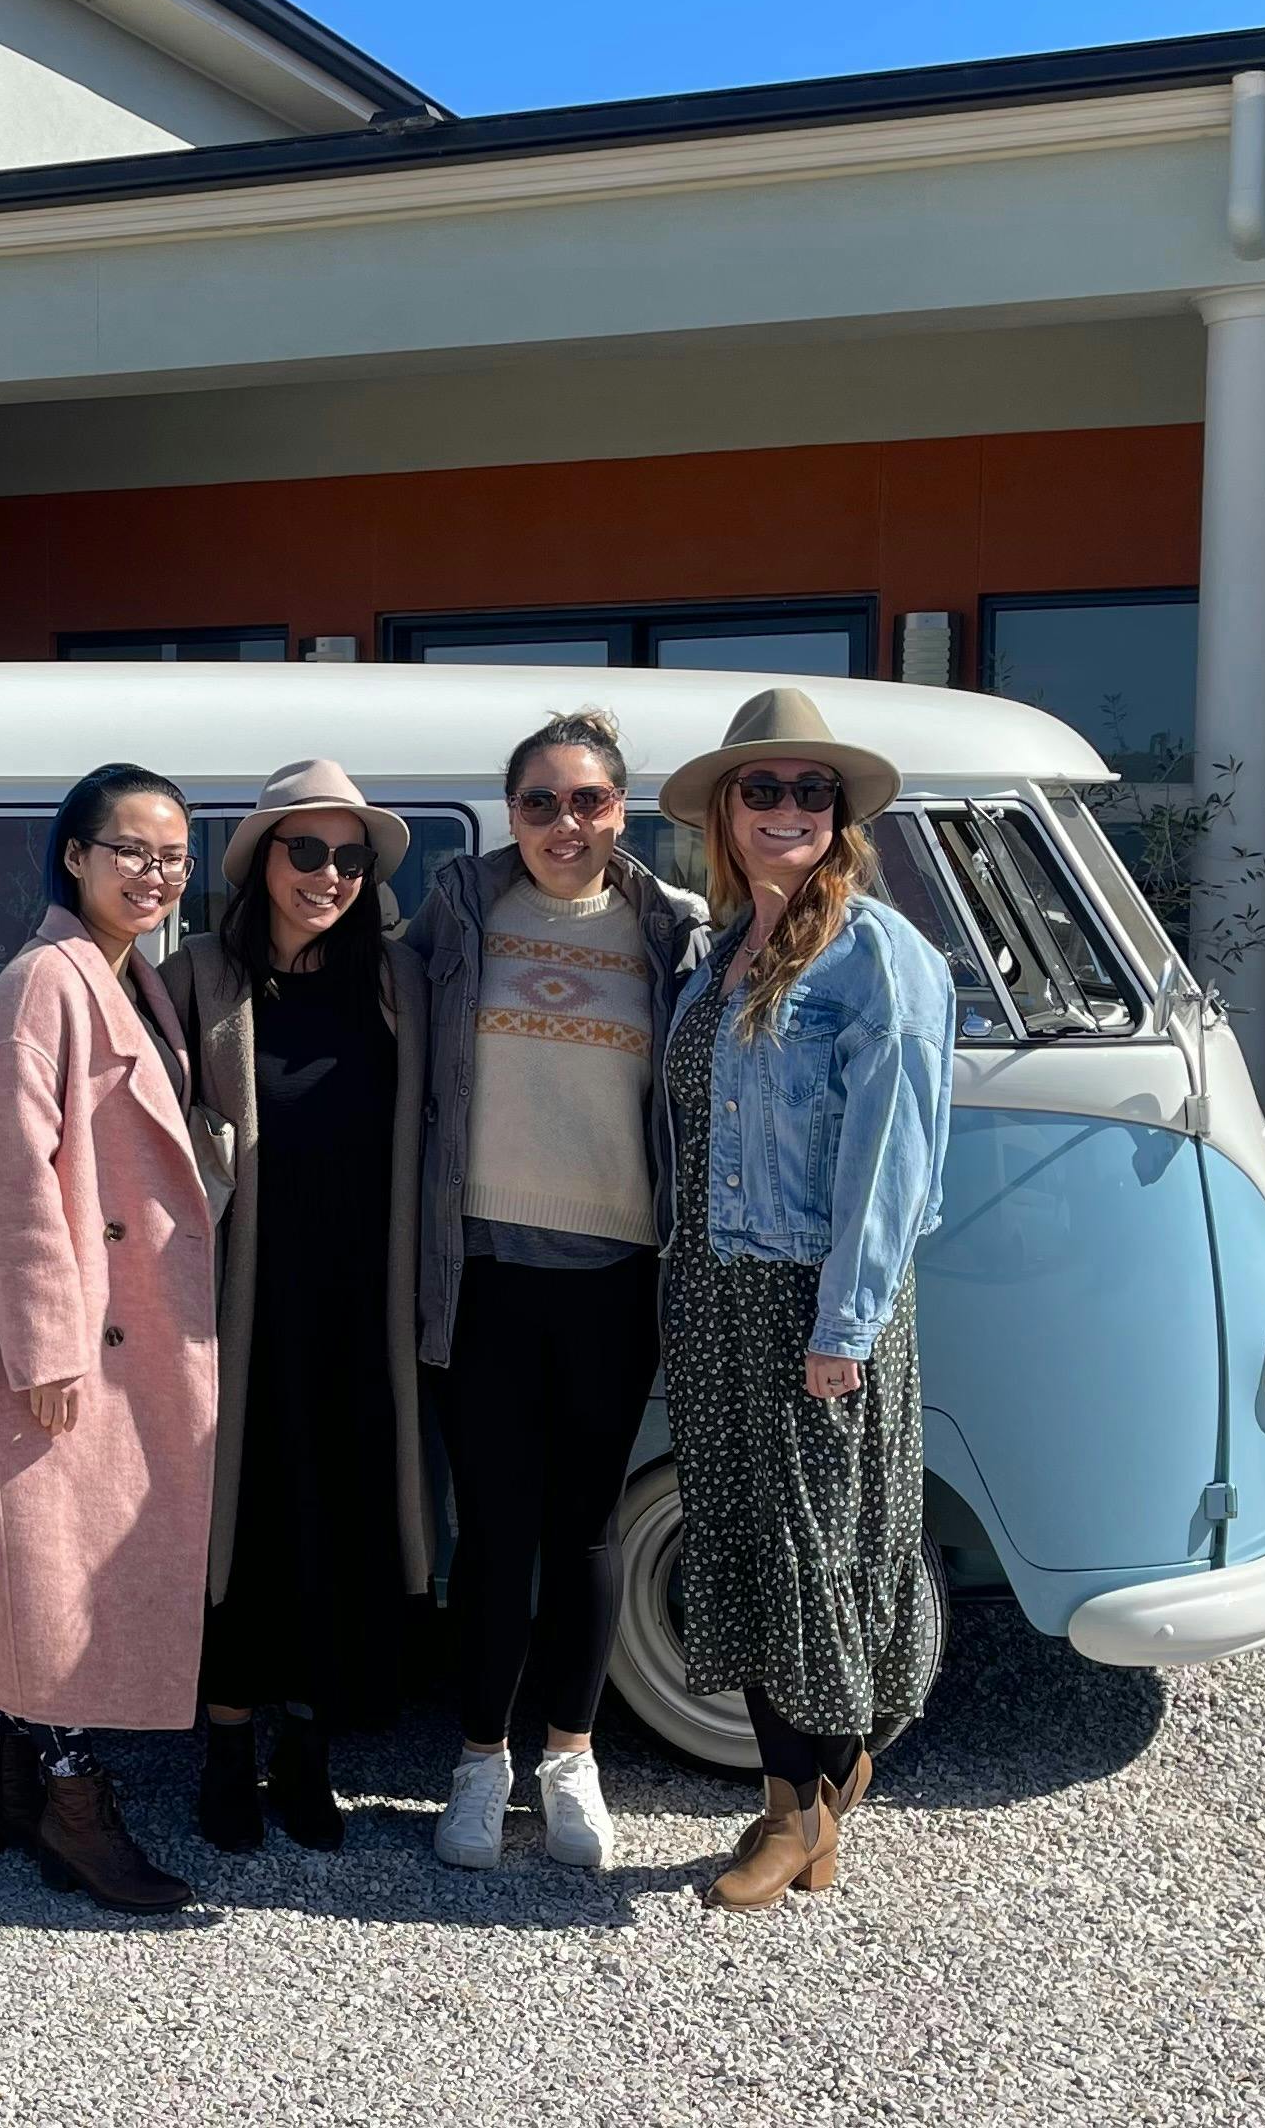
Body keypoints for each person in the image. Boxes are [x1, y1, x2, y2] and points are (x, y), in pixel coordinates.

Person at [649, 685, 954, 1912]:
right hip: (712, 1289)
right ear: (723, 813)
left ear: (840, 815)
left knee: (816, 1553)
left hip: (808, 1303)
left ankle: (803, 1808)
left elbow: (894, 1161)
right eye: (760, 788)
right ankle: (807, 1797)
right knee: (746, 1545)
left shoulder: (878, 952)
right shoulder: (717, 952)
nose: (785, 808)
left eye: (809, 790)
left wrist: (845, 1327)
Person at [408, 709, 709, 1872]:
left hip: (615, 1272)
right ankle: (479, 1763)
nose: (563, 824)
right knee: (490, 1532)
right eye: (540, 802)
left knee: (584, 1530)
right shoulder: (456, 915)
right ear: (510, 813)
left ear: (618, 811)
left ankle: (570, 1761)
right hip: (478, 1267)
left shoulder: (670, 933)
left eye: (586, 801)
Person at [0, 763, 223, 1914]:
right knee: (55, 1570)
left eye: (172, 857)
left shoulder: (116, 974)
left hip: (115, 1323)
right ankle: (69, 1800)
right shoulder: (45, 982)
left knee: (39, 1558)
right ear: (75, 856)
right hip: (72, 1339)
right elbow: (7, 1175)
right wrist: (48, 1346)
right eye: (131, 851)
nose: (153, 874)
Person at [160, 761, 431, 1853]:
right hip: (237, 1304)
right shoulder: (196, 978)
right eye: (306, 851)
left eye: (350, 857)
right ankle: (227, 1747)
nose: (329, 875)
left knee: (346, 1520)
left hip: (368, 1303)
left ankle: (306, 1753)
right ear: (261, 861)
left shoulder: (398, 981)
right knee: (245, 1521)